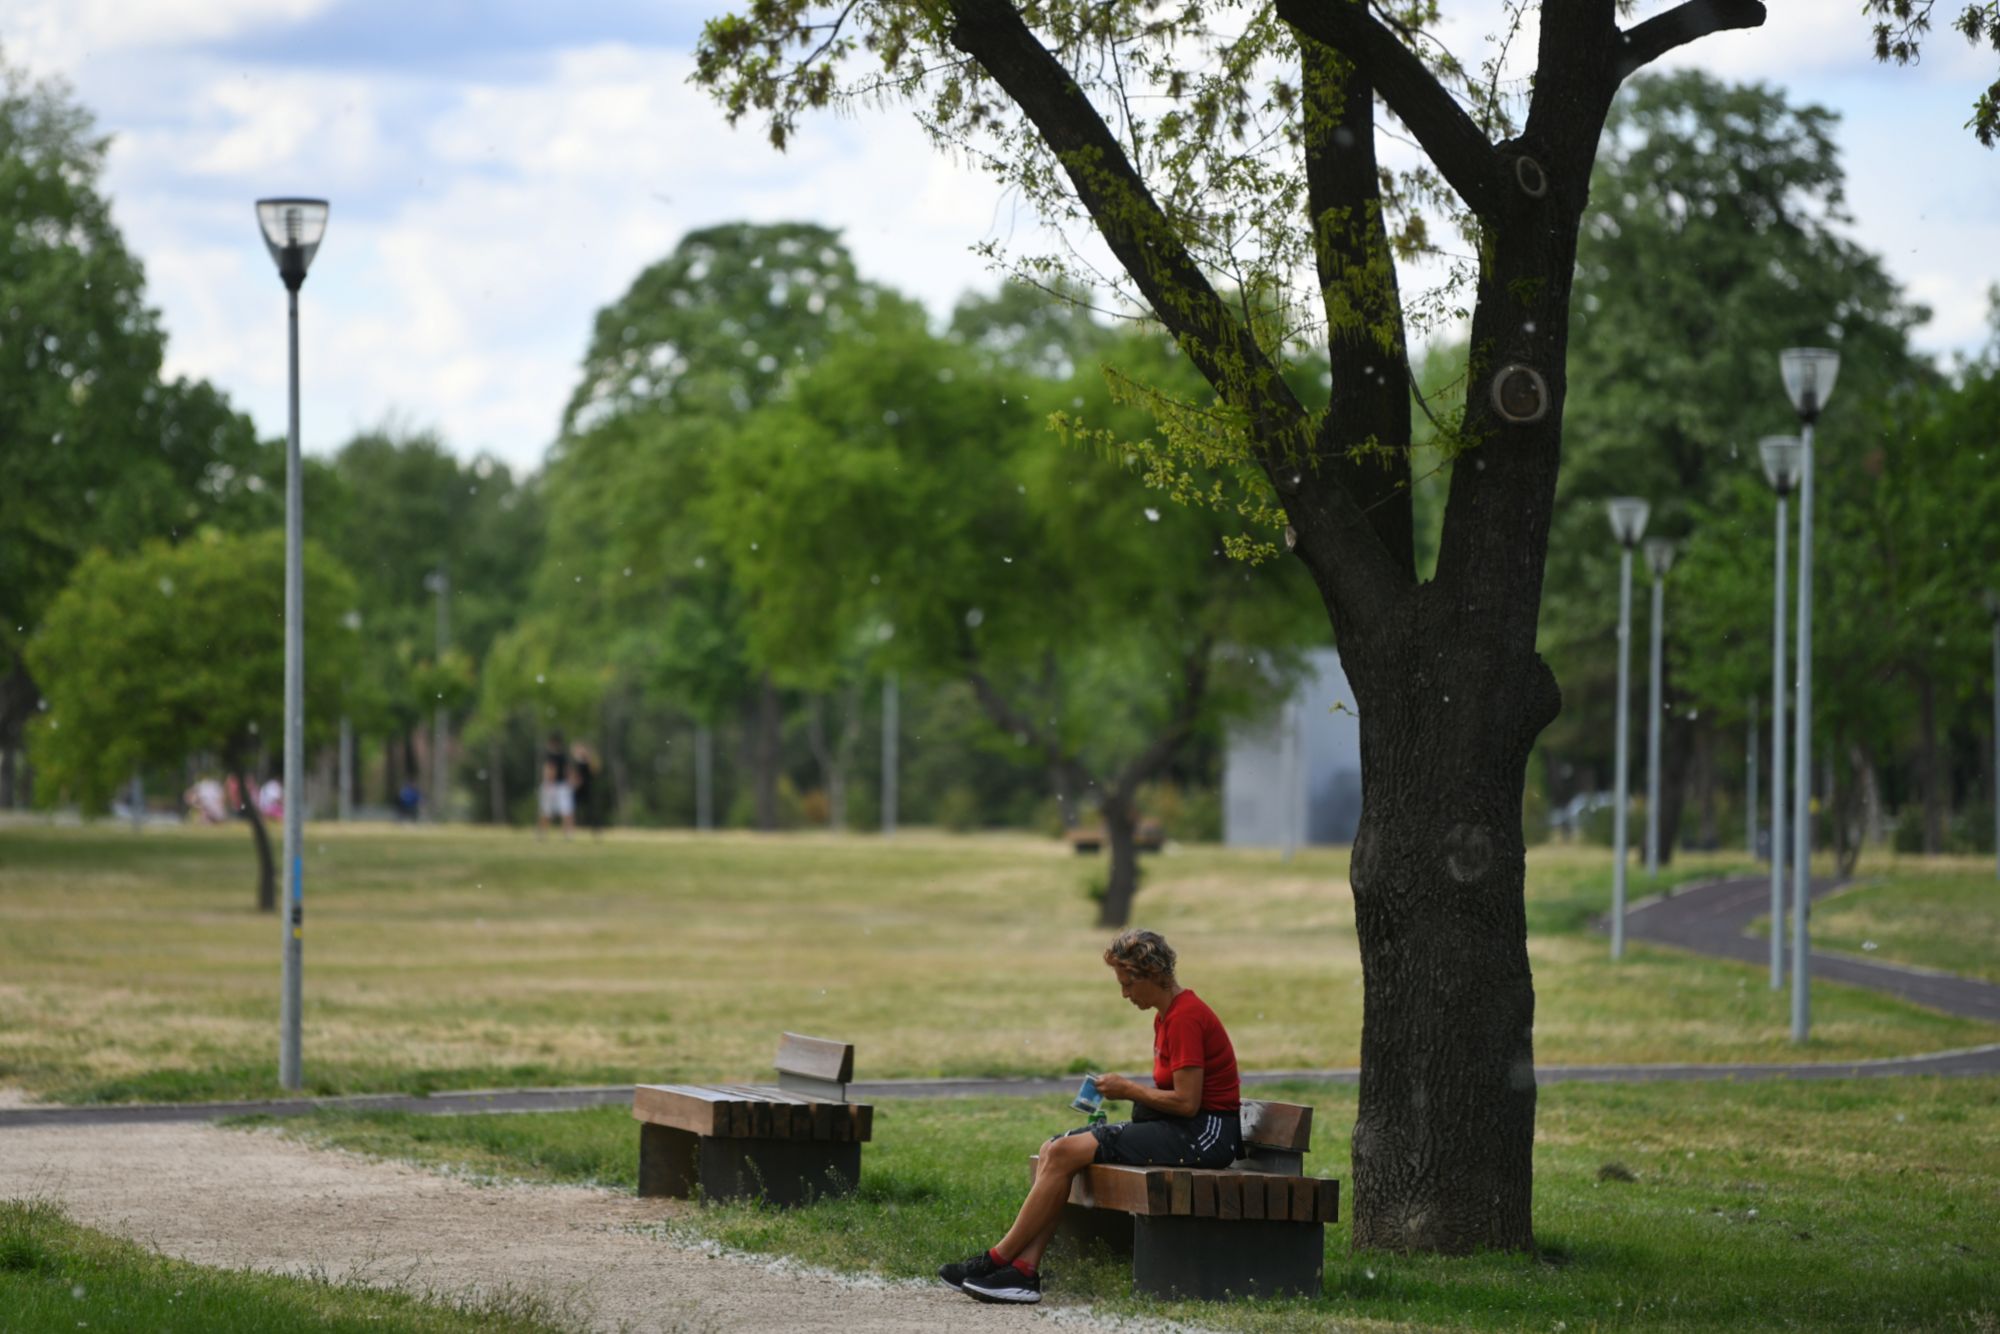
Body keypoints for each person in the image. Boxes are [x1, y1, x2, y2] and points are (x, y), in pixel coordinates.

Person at [938, 928, 1241, 1305]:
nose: (1125, 994)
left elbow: (1187, 1103)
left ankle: (995, 1259)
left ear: (1153, 975)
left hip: (1204, 1134)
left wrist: (1129, 1090)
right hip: (1182, 1128)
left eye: (1129, 983)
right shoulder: (1166, 1017)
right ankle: (1023, 1273)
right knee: (1054, 1149)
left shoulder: (1184, 1017)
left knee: (1066, 1152)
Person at [537, 732, 573, 837]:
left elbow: (551, 770)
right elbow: (568, 770)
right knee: (565, 810)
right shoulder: (564, 756)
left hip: (552, 785)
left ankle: (543, 832)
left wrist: (548, 782)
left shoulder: (550, 756)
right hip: (563, 785)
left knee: (546, 810)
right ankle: (568, 833)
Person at [569, 740, 600, 836]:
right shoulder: (575, 762)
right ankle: (570, 829)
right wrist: (574, 783)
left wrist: (590, 756)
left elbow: (594, 771)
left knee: (591, 809)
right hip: (577, 788)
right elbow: (573, 774)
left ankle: (595, 829)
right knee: (571, 809)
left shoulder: (588, 761)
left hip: (587, 787)